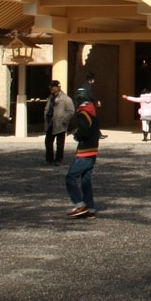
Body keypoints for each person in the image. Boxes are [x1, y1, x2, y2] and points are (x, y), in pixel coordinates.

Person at [65, 87, 101, 218]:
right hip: (93, 150)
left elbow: (84, 131)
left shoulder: (82, 113)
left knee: (70, 178)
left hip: (84, 151)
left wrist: (76, 135)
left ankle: (80, 205)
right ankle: (90, 208)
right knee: (86, 180)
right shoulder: (93, 112)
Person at [44, 80, 75, 165]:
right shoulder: (50, 98)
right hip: (50, 123)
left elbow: (71, 111)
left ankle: (58, 160)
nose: (51, 89)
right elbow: (47, 108)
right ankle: (49, 159)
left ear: (58, 88)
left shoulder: (66, 99)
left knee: (60, 143)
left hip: (60, 124)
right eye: (50, 87)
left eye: (53, 87)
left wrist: (64, 120)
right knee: (48, 141)